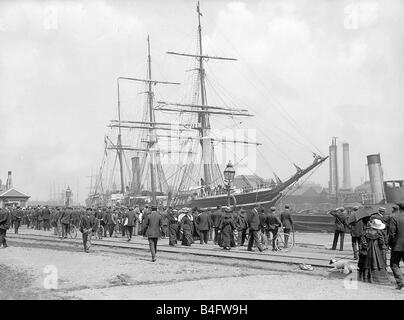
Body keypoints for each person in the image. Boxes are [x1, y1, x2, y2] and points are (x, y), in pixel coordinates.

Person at [358, 218, 391, 285]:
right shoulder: (379, 233)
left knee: (366, 263)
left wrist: (364, 246)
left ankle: (365, 278)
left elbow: (362, 240)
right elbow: (381, 242)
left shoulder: (365, 231)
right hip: (376, 250)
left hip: (367, 249)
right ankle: (377, 278)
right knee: (377, 262)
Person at [389, 202, 404, 290]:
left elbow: (392, 233)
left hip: (397, 245)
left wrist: (391, 244)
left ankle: (400, 282)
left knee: (394, 264)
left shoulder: (394, 217)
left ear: (399, 208)